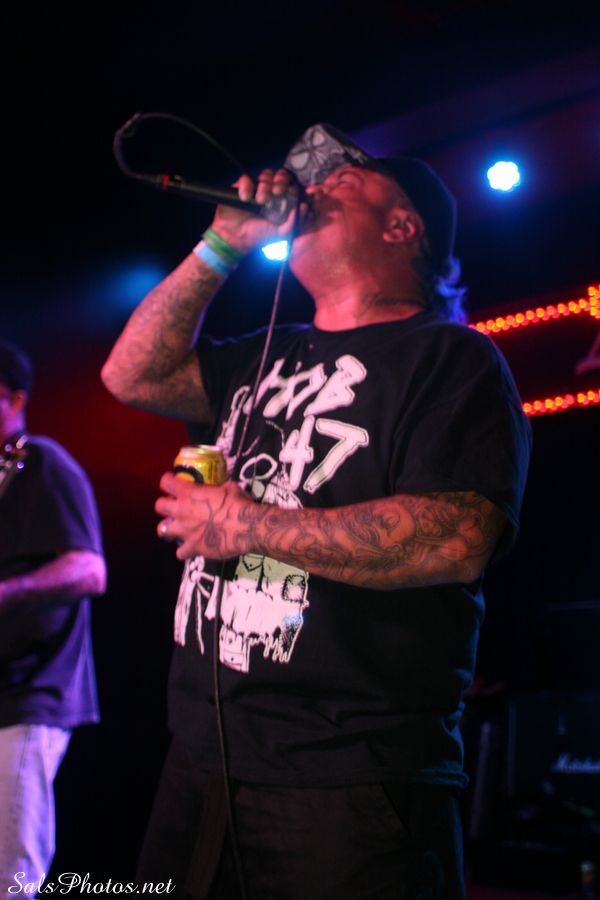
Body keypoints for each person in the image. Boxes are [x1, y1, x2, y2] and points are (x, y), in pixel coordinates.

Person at [101, 123, 531, 899]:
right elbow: (131, 374)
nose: (317, 187)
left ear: (402, 228)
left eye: (346, 182)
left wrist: (248, 527)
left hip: (351, 781)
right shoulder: (263, 351)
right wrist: (222, 246)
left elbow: (457, 538)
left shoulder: (451, 358)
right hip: (200, 760)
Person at [0, 339, 106, 895]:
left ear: (15, 398)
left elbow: (89, 570)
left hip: (28, 697)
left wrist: (6, 591)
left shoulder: (42, 461)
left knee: (11, 875)